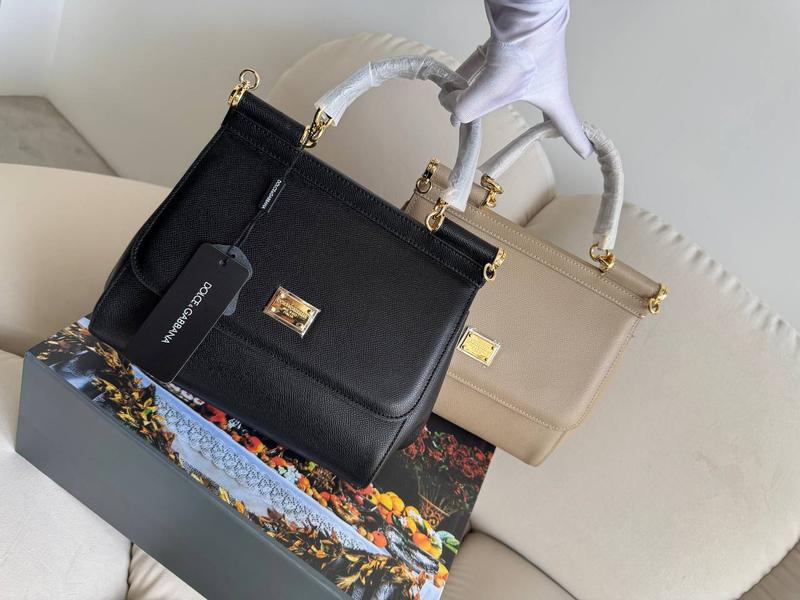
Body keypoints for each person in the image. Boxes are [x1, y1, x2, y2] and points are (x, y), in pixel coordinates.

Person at [439, 0, 592, 158]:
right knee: (459, 106)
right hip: (530, 52)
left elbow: (462, 111)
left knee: (460, 108)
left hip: (529, 55)